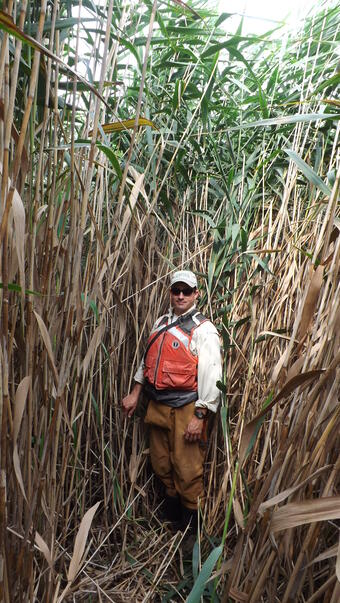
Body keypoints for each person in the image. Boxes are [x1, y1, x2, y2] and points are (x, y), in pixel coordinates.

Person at [121, 269, 222, 534]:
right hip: (157, 405)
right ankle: (174, 525)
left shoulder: (204, 331)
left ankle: (192, 534)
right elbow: (148, 361)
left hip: (187, 408)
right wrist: (135, 393)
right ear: (170, 292)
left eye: (186, 291)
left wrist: (199, 417)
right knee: (162, 465)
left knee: (187, 470)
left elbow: (212, 376)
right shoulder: (160, 323)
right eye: (176, 290)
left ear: (196, 294)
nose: (180, 296)